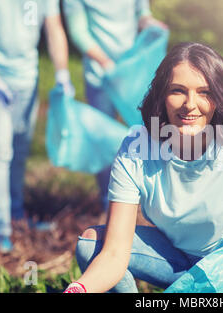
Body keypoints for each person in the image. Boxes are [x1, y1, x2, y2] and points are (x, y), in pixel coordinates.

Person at [63, 42, 223, 293]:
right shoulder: (136, 149)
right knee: (92, 245)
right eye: (177, 91)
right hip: (178, 258)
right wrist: (78, 288)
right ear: (161, 96)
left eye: (204, 92)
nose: (190, 104)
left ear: (219, 98)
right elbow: (113, 253)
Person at [0, 0, 74, 253]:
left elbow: (54, 28)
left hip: (27, 78)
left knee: (20, 148)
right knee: (0, 149)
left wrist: (63, 73)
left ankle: (17, 217)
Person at [62, 0, 167, 214]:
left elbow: (141, 14)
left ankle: (148, 197)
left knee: (148, 133)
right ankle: (108, 201)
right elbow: (78, 32)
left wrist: (150, 23)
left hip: (133, 74)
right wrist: (106, 63)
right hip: (100, 77)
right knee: (103, 139)